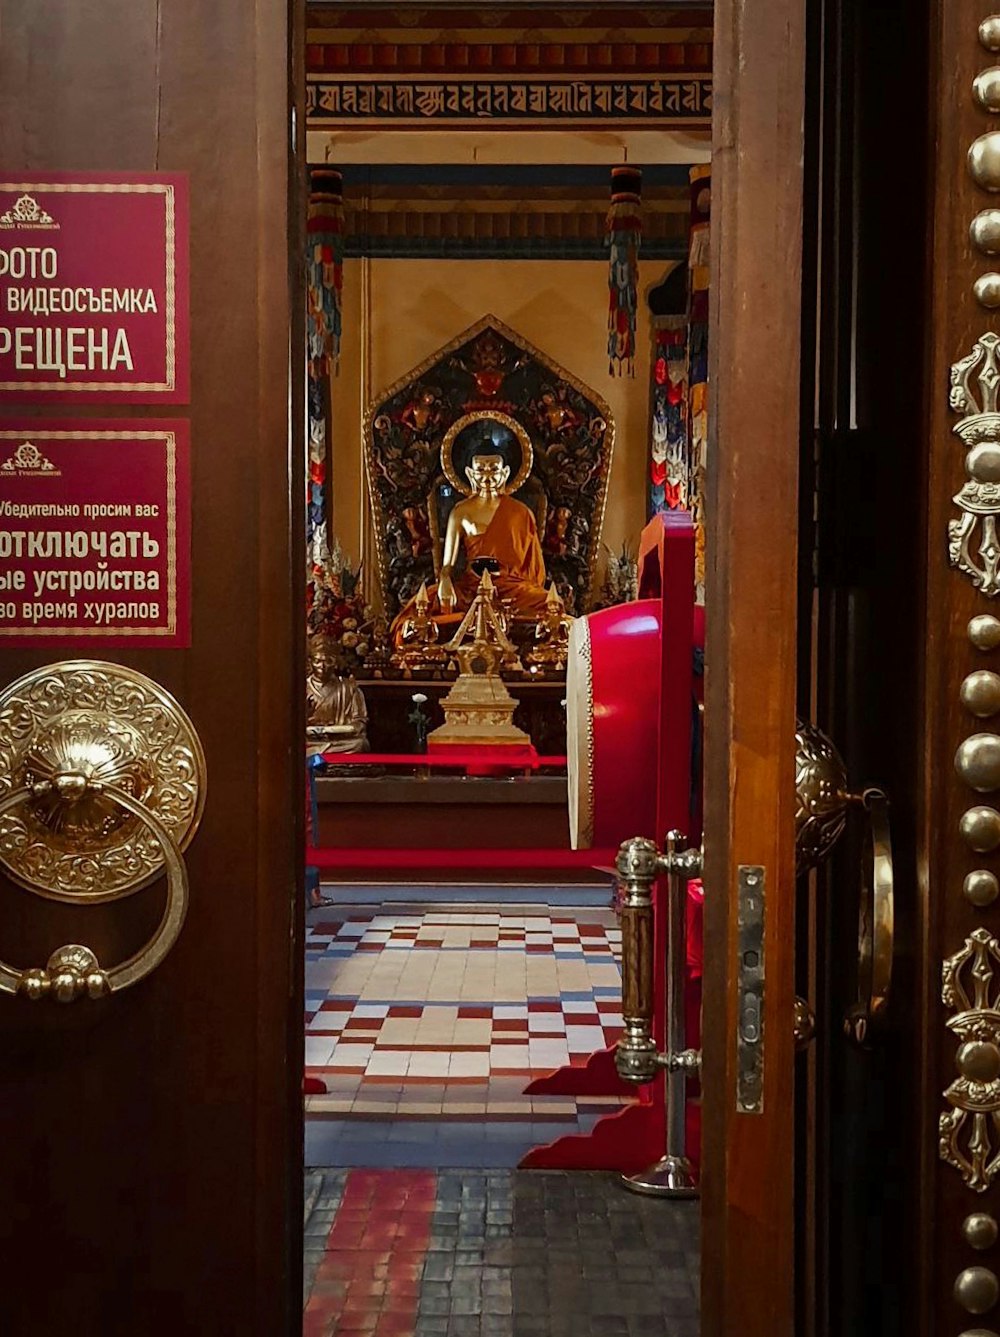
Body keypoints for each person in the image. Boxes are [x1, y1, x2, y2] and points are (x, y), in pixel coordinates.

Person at [393, 453, 549, 643]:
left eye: (493, 469)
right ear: (470, 474)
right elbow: (447, 564)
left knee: (548, 602)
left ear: (505, 473)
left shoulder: (520, 512)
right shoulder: (461, 511)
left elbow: (532, 564)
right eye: (480, 469)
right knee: (424, 605)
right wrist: (444, 579)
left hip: (511, 588)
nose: (487, 475)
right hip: (472, 589)